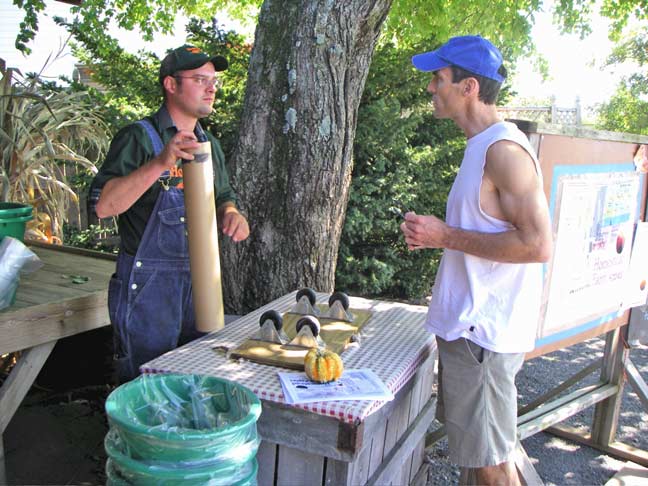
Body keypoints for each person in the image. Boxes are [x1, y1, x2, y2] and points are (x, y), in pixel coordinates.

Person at [401, 35, 553, 485]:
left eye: (439, 78)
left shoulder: (504, 151)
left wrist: (444, 234)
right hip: (471, 335)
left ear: (468, 87)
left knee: (491, 466)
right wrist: (437, 237)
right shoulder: (480, 147)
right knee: (479, 459)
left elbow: (538, 246)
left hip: (483, 336)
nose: (431, 87)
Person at [91, 45, 250, 383]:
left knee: (197, 381)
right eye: (199, 79)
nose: (211, 88)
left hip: (201, 283)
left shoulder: (210, 146)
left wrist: (232, 212)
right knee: (145, 386)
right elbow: (104, 206)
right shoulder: (138, 138)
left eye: (214, 81)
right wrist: (161, 162)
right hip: (148, 287)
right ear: (171, 84)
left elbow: (224, 196)